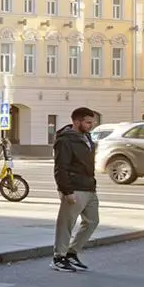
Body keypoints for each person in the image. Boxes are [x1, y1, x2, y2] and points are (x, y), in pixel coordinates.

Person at [52, 106, 100, 272]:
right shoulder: (65, 140)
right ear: (77, 122)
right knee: (66, 223)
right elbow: (60, 168)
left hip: (89, 186)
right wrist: (67, 191)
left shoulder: (86, 137)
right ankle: (59, 257)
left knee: (92, 221)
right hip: (74, 187)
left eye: (92, 122)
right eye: (88, 122)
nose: (91, 125)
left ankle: (72, 253)